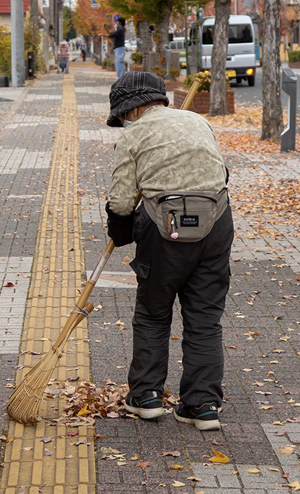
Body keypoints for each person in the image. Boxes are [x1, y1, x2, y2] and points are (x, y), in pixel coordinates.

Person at [105, 71, 233, 431]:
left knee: (153, 312)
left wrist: (121, 232)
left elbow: (121, 200)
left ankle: (146, 396)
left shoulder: (134, 134)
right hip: (215, 222)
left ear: (131, 110)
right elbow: (221, 174)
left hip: (164, 228)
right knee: (205, 316)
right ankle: (203, 404)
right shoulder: (197, 121)